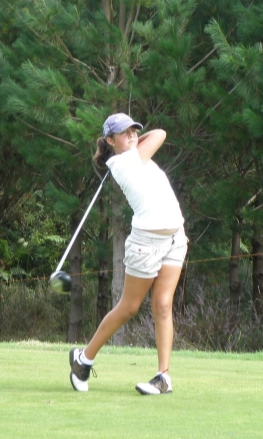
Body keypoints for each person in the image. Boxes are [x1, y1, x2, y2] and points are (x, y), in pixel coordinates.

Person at [69, 112, 187, 395]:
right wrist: (136, 144)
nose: (133, 135)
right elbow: (160, 133)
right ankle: (83, 359)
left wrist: (133, 142)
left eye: (134, 130)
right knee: (129, 307)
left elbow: (151, 137)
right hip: (146, 243)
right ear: (110, 140)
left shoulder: (134, 155)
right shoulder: (123, 163)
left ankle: (163, 377)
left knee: (162, 305)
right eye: (125, 133)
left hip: (175, 238)